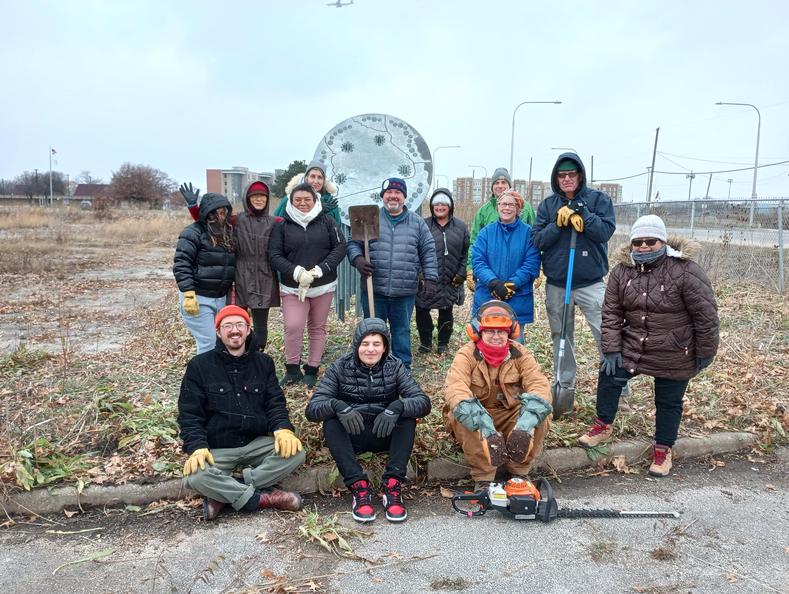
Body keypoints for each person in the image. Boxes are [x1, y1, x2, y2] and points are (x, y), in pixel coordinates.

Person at [578, 215, 719, 477]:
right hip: (634, 345)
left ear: (662, 242)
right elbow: (610, 312)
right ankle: (603, 424)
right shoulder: (622, 271)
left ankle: (663, 449)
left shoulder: (685, 270)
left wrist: (706, 351)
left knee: (668, 401)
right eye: (638, 242)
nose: (643, 247)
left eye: (650, 241)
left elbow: (706, 315)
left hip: (673, 349)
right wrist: (610, 348)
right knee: (608, 377)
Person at [177, 305, 306, 521]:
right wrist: (197, 447)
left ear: (248, 329)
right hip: (217, 448)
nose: (234, 330)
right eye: (227, 326)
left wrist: (282, 429)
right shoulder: (199, 366)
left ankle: (225, 493)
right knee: (194, 476)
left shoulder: (264, 363)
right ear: (218, 332)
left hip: (255, 443)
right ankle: (263, 498)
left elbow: (274, 402)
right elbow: (190, 415)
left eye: (239, 325)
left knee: (296, 452)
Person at [305, 318, 431, 523]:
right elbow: (312, 410)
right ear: (356, 345)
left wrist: (397, 407)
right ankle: (359, 487)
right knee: (330, 421)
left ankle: (392, 485)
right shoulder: (339, 367)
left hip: (385, 432)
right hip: (352, 433)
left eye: (376, 344)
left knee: (407, 419)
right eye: (365, 343)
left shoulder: (395, 366)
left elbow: (423, 402)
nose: (370, 349)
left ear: (384, 348)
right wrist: (338, 406)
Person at [531, 153, 621, 408]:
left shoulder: (598, 200)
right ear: (556, 178)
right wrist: (558, 225)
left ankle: (618, 389)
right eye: (562, 175)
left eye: (572, 174)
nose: (567, 179)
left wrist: (586, 218)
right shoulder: (548, 206)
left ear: (580, 175)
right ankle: (564, 384)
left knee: (606, 333)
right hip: (559, 283)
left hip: (591, 282)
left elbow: (605, 231)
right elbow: (538, 239)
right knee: (561, 335)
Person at [443, 301, 552, 490]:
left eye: (501, 332)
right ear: (479, 333)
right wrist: (481, 421)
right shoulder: (466, 354)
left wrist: (527, 420)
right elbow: (455, 387)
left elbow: (539, 384)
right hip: (479, 413)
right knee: (461, 414)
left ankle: (519, 472)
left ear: (510, 333)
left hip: (510, 413)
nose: (495, 336)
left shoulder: (521, 354)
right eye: (490, 331)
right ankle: (484, 477)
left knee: (542, 414)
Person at [346, 177, 438, 369]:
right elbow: (353, 243)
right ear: (383, 196)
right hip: (374, 289)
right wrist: (358, 260)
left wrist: (430, 278)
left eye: (398, 192)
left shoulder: (417, 223)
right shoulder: (370, 218)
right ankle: (374, 367)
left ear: (404, 197)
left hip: (404, 291)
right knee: (373, 331)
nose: (393, 196)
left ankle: (402, 369)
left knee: (401, 332)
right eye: (389, 192)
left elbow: (428, 250)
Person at [269, 182, 347, 387]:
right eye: (298, 200)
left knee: (317, 327)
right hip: (293, 288)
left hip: (323, 285)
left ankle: (312, 368)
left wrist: (319, 270)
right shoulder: (282, 225)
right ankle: (292, 368)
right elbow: (274, 254)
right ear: (291, 201)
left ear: (315, 200)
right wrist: (296, 271)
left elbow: (340, 247)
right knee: (293, 326)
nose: (303, 203)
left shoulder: (327, 222)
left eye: (307, 199)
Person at [471, 189, 541, 339]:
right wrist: (494, 282)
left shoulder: (529, 234)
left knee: (515, 345)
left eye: (511, 205)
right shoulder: (486, 233)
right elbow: (478, 261)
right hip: (487, 296)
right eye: (503, 204)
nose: (507, 208)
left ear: (518, 209)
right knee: (484, 342)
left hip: (517, 297)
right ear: (498, 207)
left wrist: (512, 284)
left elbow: (531, 263)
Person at [173, 193, 236, 354]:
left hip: (220, 297)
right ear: (207, 213)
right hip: (198, 297)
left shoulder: (227, 234)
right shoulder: (192, 233)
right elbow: (182, 263)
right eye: (215, 213)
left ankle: (218, 375)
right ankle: (206, 378)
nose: (220, 217)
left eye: (223, 212)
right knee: (208, 342)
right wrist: (188, 292)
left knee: (221, 341)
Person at [415, 188, 469, 355]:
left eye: (444, 203)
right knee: (422, 309)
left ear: (450, 206)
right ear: (431, 206)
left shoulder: (460, 227)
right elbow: (415, 250)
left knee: (446, 310)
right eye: (436, 203)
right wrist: (421, 274)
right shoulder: (422, 224)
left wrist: (461, 273)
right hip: (427, 278)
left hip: (451, 277)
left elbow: (465, 252)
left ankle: (443, 343)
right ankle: (425, 342)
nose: (440, 207)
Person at [466, 167, 536, 292]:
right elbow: (475, 242)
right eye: (496, 183)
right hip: (490, 276)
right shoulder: (483, 211)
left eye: (503, 182)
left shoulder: (526, 208)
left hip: (518, 274)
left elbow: (536, 239)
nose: (500, 186)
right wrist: (470, 268)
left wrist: (537, 268)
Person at [233, 181, 280, 351]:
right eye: (255, 196)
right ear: (247, 198)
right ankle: (238, 354)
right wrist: (194, 207)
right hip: (240, 275)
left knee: (261, 324)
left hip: (265, 276)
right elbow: (211, 221)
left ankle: (257, 355)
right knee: (237, 320)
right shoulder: (237, 220)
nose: (259, 199)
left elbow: (297, 223)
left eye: (263, 196)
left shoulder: (275, 221)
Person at [273, 160, 341, 226]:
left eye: (320, 177)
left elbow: (337, 229)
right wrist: (318, 210)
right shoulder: (289, 200)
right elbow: (277, 224)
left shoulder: (330, 202)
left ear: (323, 181)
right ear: (306, 178)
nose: (316, 181)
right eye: (312, 176)